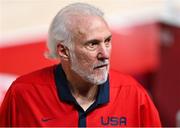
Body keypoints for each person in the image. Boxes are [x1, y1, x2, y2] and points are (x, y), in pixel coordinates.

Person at [0, 2, 161, 127]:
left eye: (107, 41)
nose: (105, 55)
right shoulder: (23, 94)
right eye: (92, 44)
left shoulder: (134, 95)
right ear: (63, 51)